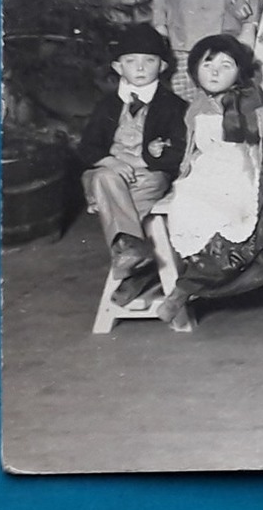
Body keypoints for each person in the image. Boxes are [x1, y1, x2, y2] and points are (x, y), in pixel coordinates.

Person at [156, 35, 263, 326]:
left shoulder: (253, 105)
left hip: (244, 171)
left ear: (240, 72)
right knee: (187, 209)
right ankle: (175, 273)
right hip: (208, 174)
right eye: (207, 64)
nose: (215, 71)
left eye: (226, 65)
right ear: (195, 69)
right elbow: (191, 147)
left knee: (236, 218)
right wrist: (184, 169)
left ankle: (185, 288)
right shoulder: (196, 109)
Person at [77, 22, 188, 305]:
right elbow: (86, 147)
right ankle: (139, 261)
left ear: (162, 66)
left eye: (149, 61)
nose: (140, 68)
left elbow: (182, 150)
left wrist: (157, 153)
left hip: (148, 175)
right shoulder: (107, 105)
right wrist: (110, 161)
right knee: (102, 179)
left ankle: (135, 265)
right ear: (118, 67)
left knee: (120, 201)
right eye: (131, 61)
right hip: (109, 173)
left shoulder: (172, 105)